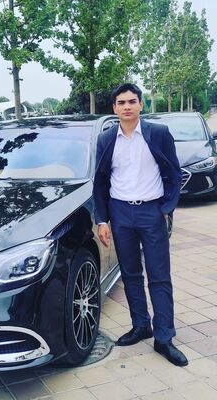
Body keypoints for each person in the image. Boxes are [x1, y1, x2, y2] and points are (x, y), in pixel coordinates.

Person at [93, 83, 188, 366]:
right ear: (114, 108)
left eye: (132, 101)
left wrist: (166, 208)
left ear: (141, 105)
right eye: (121, 102)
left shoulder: (158, 133)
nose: (127, 107)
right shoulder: (106, 139)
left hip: (151, 212)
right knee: (130, 274)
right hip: (120, 213)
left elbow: (174, 172)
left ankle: (164, 338)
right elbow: (100, 181)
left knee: (159, 276)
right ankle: (140, 325)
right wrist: (102, 219)